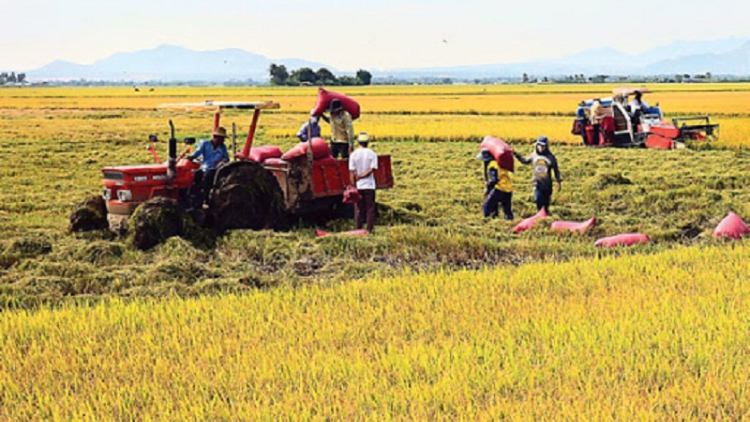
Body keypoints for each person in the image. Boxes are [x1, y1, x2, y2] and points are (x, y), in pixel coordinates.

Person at [514, 135, 561, 212]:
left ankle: (544, 218)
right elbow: (525, 161)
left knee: (545, 205)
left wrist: (558, 181)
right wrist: (516, 154)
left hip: (547, 184)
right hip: (537, 183)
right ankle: (540, 214)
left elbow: (556, 170)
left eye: (543, 146)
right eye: (539, 145)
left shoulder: (551, 157)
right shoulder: (534, 155)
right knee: (538, 200)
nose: (541, 148)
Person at [187, 126, 230, 207]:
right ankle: (193, 197)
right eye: (222, 138)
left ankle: (206, 200)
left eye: (223, 138)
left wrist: (221, 161)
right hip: (204, 166)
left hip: (215, 168)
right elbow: (198, 152)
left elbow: (226, 158)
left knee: (208, 177)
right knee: (195, 176)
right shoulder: (205, 144)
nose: (223, 140)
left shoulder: (222, 147)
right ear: (215, 137)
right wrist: (191, 157)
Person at [348, 132, 378, 232]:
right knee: (370, 208)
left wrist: (353, 186)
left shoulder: (353, 155)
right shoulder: (372, 154)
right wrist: (362, 176)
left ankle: (358, 229)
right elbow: (372, 170)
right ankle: (369, 229)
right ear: (367, 142)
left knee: (358, 209)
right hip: (369, 185)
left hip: (359, 186)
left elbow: (352, 172)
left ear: (359, 142)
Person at [477, 148, 513, 220]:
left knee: (487, 207)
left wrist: (487, 190)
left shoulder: (492, 165)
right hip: (509, 188)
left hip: (500, 189)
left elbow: (494, 180)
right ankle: (509, 222)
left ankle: (488, 221)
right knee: (507, 210)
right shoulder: (499, 162)